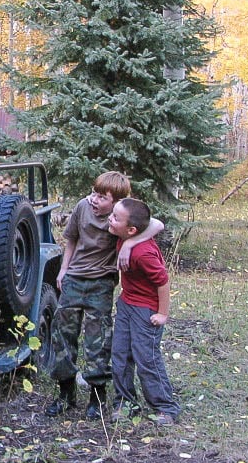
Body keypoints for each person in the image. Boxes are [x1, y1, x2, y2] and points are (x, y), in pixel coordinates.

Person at [44, 172, 163, 419]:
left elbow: (156, 224)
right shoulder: (82, 207)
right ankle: (66, 394)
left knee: (98, 339)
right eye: (94, 193)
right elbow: (71, 239)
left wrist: (129, 244)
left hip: (101, 283)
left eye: (101, 197)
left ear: (116, 202)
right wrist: (64, 270)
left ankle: (96, 398)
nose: (94, 199)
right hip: (74, 279)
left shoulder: (119, 218)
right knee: (63, 334)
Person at [107, 197, 180, 426]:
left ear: (131, 229)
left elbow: (163, 282)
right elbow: (155, 222)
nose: (110, 218)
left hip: (145, 310)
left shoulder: (143, 253)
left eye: (115, 217)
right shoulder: (124, 235)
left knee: (146, 357)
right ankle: (125, 403)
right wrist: (127, 243)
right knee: (120, 355)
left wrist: (163, 314)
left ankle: (165, 407)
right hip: (126, 304)